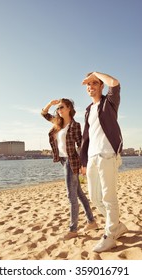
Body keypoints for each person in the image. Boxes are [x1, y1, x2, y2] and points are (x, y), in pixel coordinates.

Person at [80, 71, 128, 252]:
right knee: (94, 197)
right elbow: (87, 137)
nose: (90, 87)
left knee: (109, 197)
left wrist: (94, 73)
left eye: (94, 83)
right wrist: (83, 161)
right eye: (88, 85)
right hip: (92, 157)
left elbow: (115, 83)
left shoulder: (109, 103)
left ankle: (109, 235)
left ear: (101, 86)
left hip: (108, 155)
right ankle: (117, 225)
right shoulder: (88, 110)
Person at [41, 98, 98, 240]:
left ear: (69, 108)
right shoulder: (57, 123)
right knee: (78, 193)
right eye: (58, 108)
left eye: (61, 107)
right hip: (62, 160)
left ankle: (73, 229)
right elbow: (44, 114)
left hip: (71, 162)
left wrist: (83, 164)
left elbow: (81, 145)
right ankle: (91, 221)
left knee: (71, 196)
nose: (59, 110)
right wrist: (50, 104)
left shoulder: (75, 125)